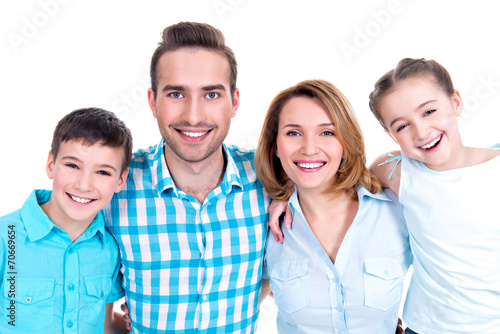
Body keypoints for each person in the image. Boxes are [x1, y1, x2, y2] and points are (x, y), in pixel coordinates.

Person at [103, 22, 269, 333]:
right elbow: (92, 306)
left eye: (211, 94)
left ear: (234, 102)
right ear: (153, 102)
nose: (193, 116)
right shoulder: (114, 187)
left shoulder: (270, 179)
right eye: (177, 93)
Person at [255, 79, 412, 333]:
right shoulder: (262, 223)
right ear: (275, 146)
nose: (309, 148)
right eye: (293, 133)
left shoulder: (395, 209)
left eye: (327, 132)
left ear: (345, 141)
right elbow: (238, 312)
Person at [368, 58, 500, 334]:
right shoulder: (395, 171)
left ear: (456, 102)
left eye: (428, 112)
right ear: (391, 136)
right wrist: (284, 198)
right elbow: (333, 187)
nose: (421, 131)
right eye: (402, 126)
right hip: (425, 327)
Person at [0, 107, 132, 333]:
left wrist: (137, 322)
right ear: (51, 164)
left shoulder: (109, 248)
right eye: (73, 165)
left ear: (120, 180)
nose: (84, 185)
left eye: (103, 172)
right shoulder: (7, 236)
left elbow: (105, 324)